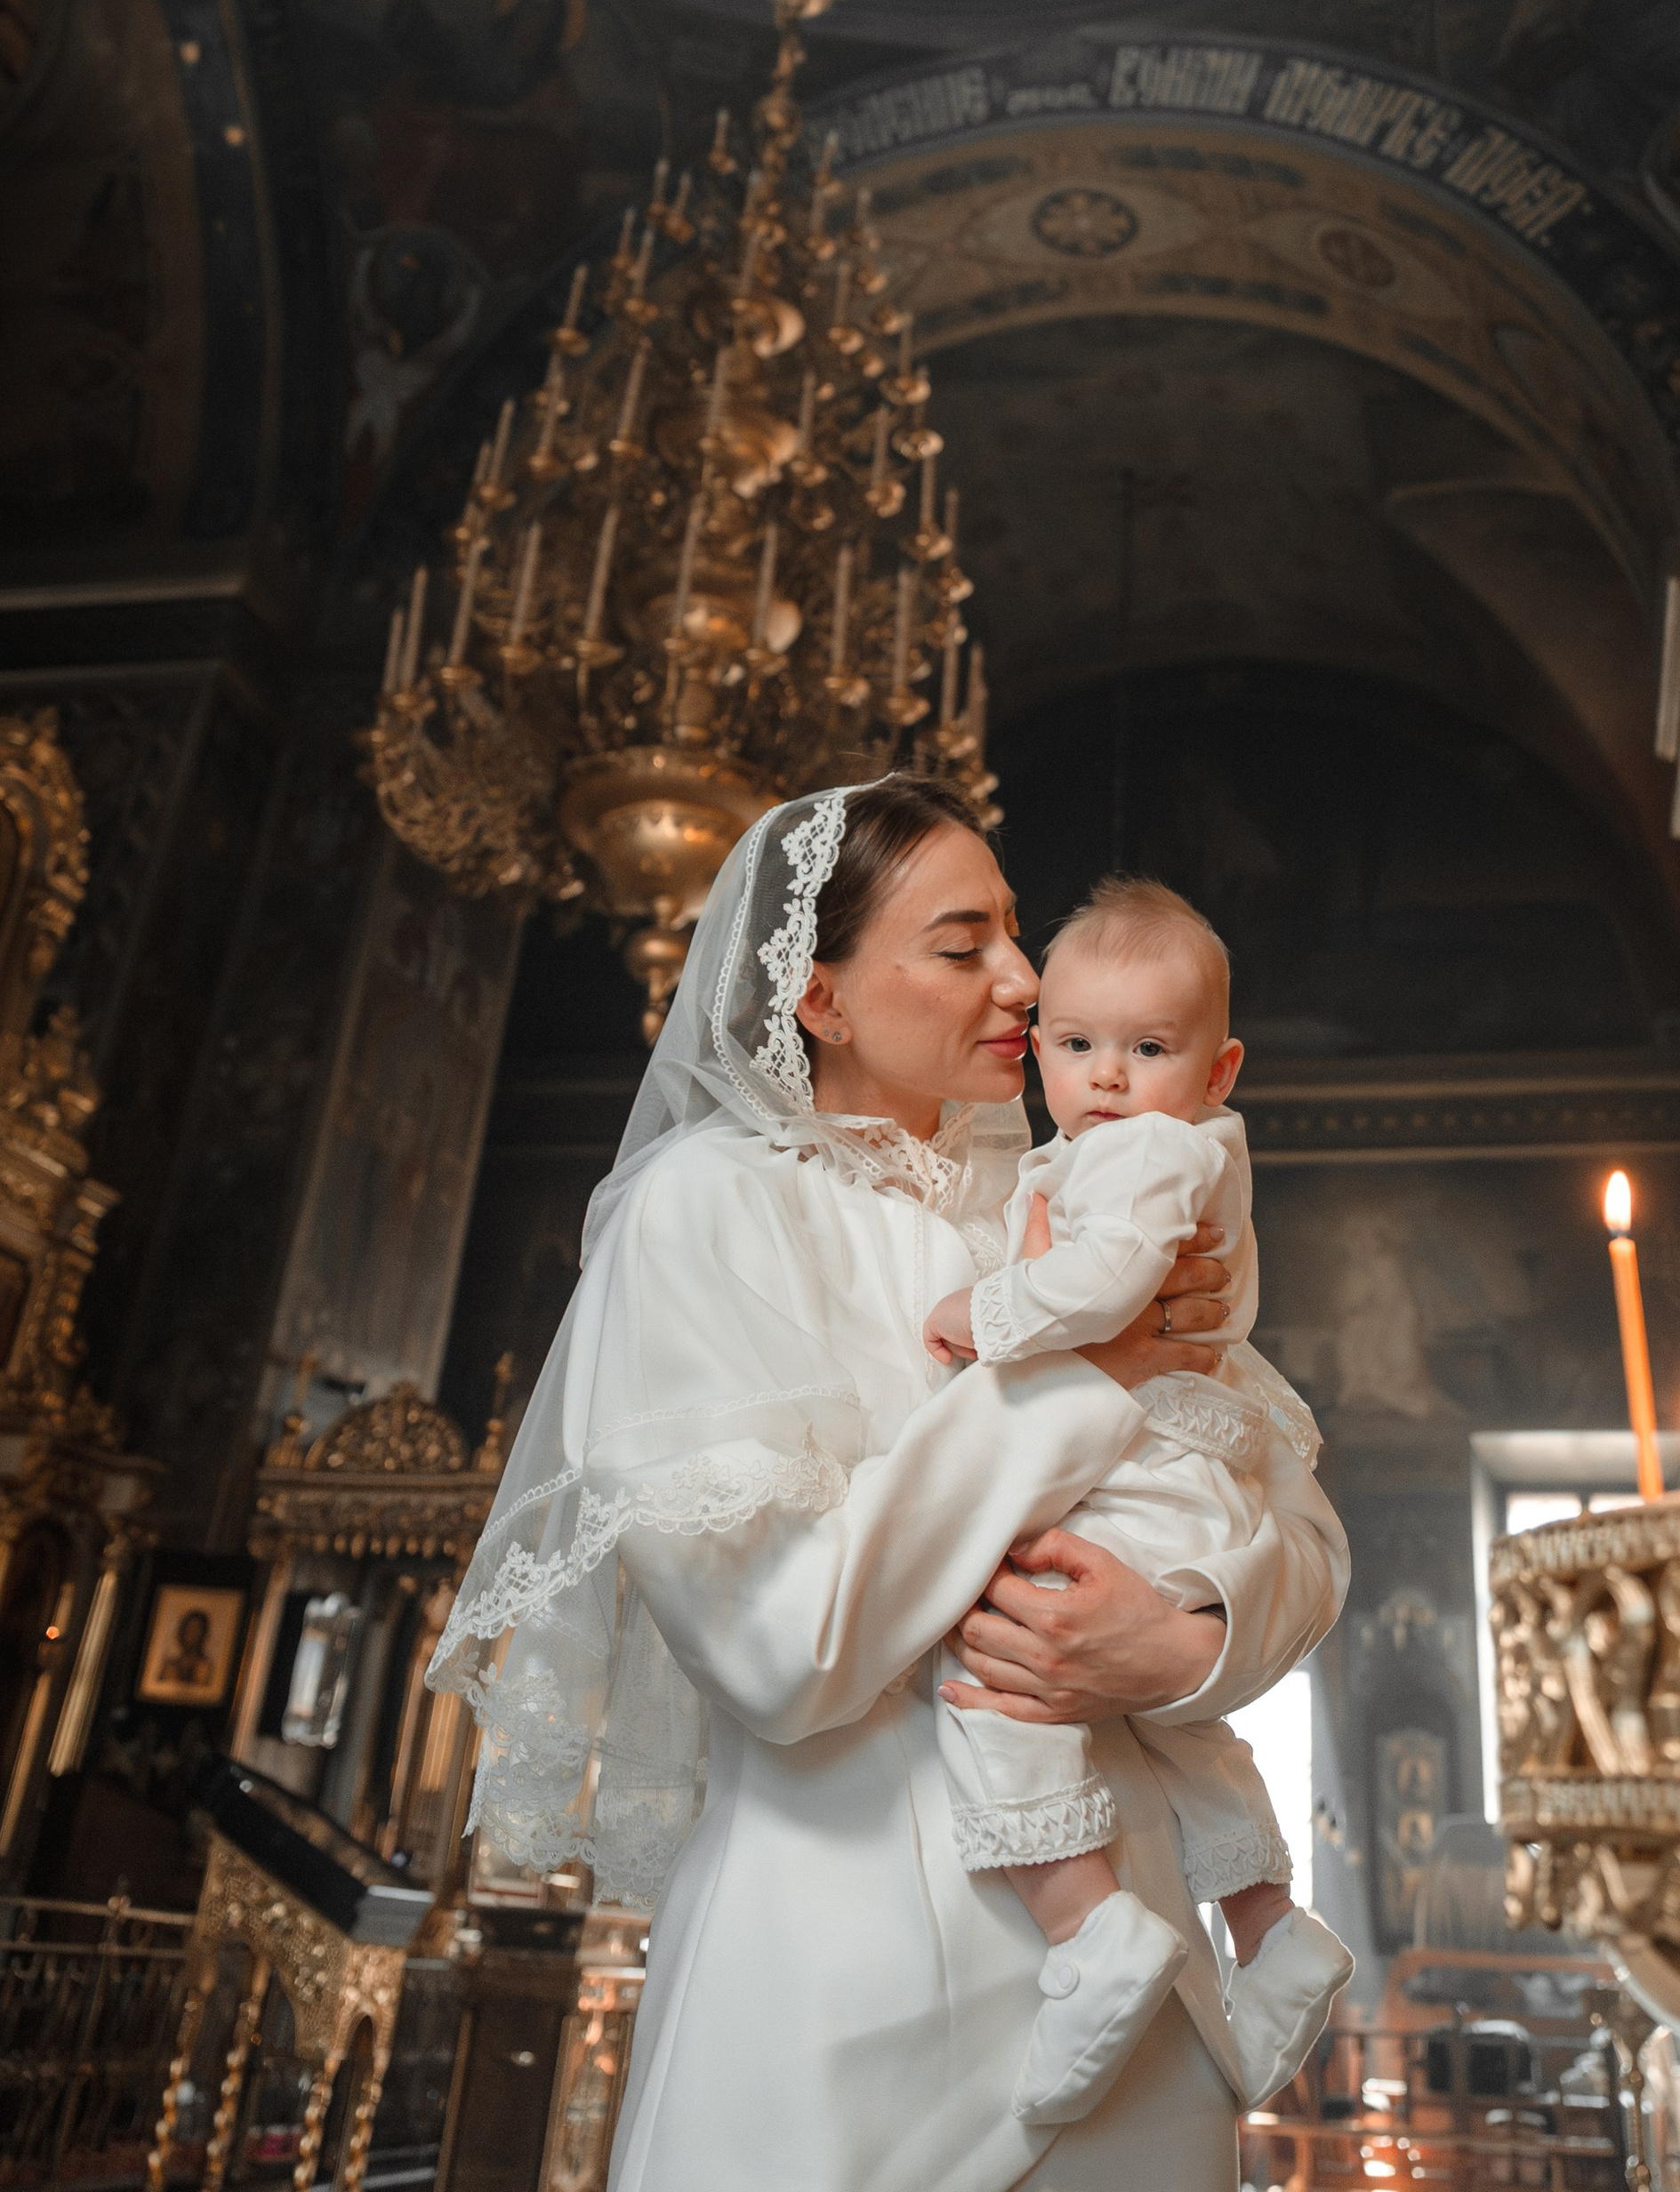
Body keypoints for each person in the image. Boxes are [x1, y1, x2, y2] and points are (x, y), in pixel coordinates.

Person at [428, 779, 1348, 2192]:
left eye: (1018, 937)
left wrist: (1188, 1639)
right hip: (839, 2017)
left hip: (1139, 2024)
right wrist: (1084, 1376)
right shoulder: (706, 1214)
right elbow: (782, 1649)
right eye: (964, 943)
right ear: (823, 996)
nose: (1027, 982)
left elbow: (1283, 1519)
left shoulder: (1075, 1194)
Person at [921, 873, 1354, 2123]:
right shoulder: (1118, 1147)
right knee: (1180, 1733)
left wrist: (982, 1314)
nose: (1106, 1075)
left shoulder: (1149, 1153)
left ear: (1217, 1071)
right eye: (1076, 1043)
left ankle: (1087, 1925)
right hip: (1172, 1476)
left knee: (998, 1677)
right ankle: (1272, 1927)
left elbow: (1106, 1289)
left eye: (1146, 1049)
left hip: (1150, 1474)